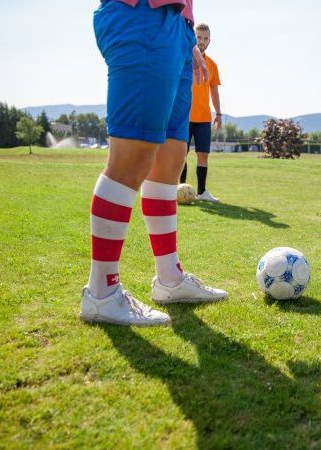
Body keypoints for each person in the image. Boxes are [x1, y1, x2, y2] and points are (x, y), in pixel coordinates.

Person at [81, 0, 228, 327]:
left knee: (170, 161)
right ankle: (101, 294)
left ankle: (169, 280)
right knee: (132, 156)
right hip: (142, 13)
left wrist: (187, 39)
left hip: (179, 29)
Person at [179, 23, 222, 202]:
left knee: (203, 154)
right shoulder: (183, 59)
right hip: (183, 115)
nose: (202, 41)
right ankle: (179, 189)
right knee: (181, 154)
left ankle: (202, 192)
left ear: (209, 41)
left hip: (204, 117)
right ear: (193, 37)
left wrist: (218, 114)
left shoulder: (212, 65)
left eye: (205, 38)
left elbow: (214, 91)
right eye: (199, 37)